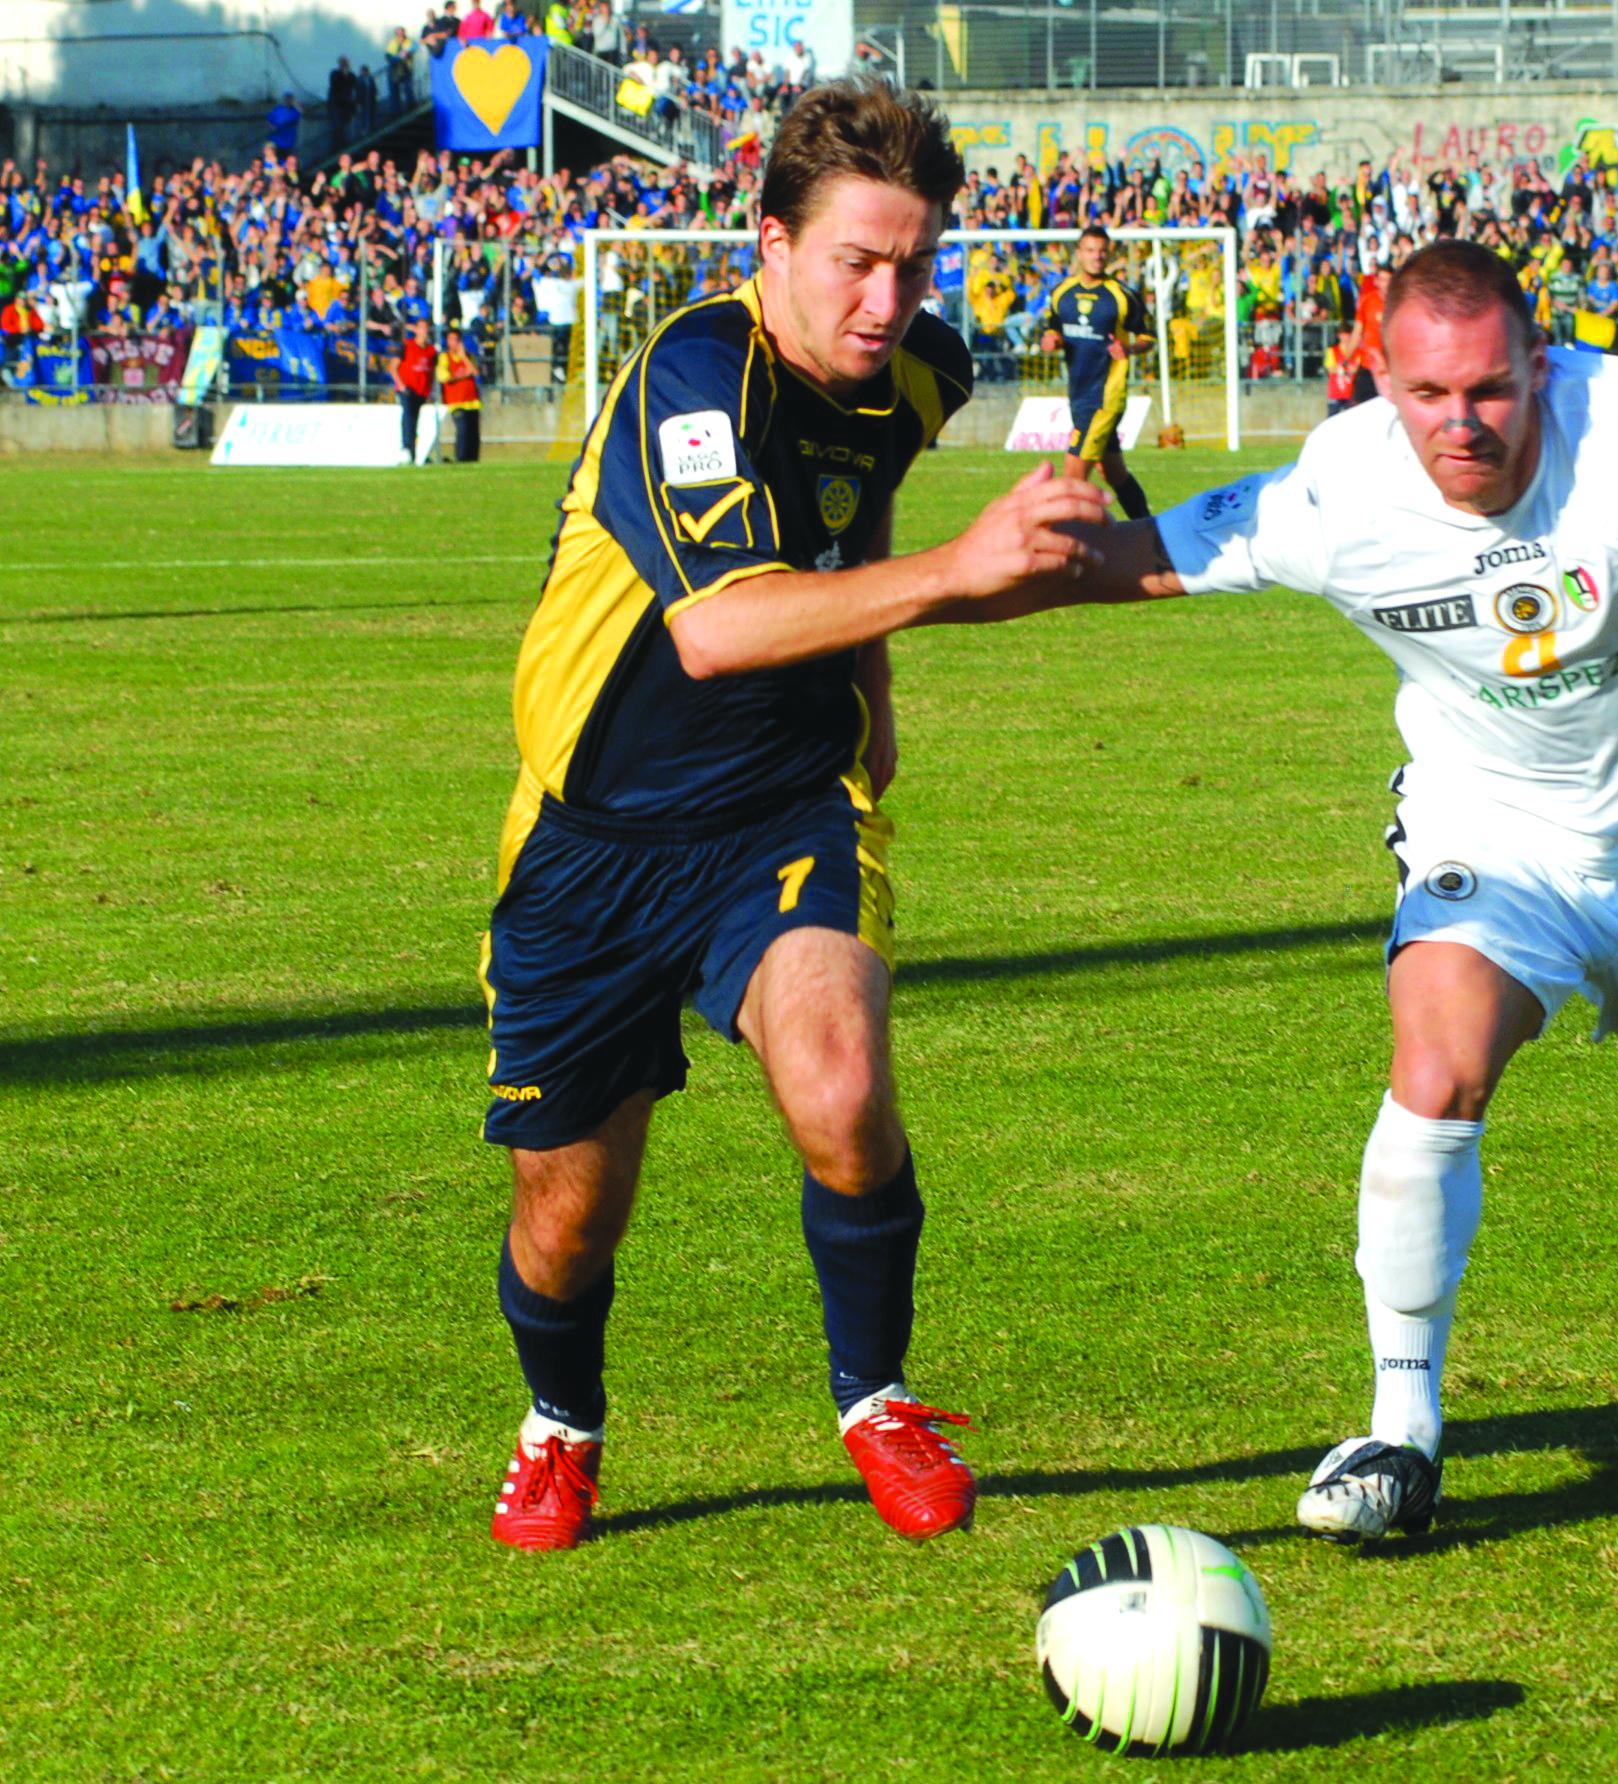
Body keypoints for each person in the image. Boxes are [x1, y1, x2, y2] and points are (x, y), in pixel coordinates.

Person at [1029, 239, 1618, 1538]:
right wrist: (894, 598)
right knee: (1437, 1064)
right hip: (1494, 831)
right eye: (1429, 395)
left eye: (1494, 390)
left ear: (1538, 361)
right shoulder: (1340, 488)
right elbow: (1135, 562)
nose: (1463, 424)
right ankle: (1402, 1428)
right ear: (1378, 377)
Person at [478, 76, 1107, 1553]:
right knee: (567, 1222)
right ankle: (561, 1424)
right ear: (771, 243)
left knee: (837, 1084)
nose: (892, 300)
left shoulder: (917, 363)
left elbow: (871, 475)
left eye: (916, 264)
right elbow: (719, 628)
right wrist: (956, 573)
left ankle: (875, 1399)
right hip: (591, 841)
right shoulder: (696, 376)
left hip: (784, 808)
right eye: (857, 263)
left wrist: (875, 683)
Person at [1039, 224, 1154, 520]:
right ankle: (1149, 531)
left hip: (1105, 396)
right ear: (1079, 254)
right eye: (1090, 250)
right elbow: (1051, 328)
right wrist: (1051, 339)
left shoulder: (1121, 295)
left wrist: (1128, 350)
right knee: (1113, 472)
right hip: (1078, 393)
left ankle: (1075, 547)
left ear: (1109, 253)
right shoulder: (1062, 293)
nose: (1097, 257)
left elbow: (1148, 337)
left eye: (1102, 251)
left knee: (1073, 476)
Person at [437, 325, 481, 461]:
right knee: (462, 430)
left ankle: (473, 459)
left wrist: (463, 357)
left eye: (456, 340)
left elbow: (474, 372)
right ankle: (460, 458)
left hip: (472, 401)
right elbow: (445, 377)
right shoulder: (444, 357)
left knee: (474, 433)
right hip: (456, 401)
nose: (453, 343)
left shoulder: (468, 356)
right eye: (451, 340)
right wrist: (462, 375)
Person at [394, 317, 436, 461]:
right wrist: (400, 384)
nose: (424, 331)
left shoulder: (431, 351)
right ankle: (406, 447)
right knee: (408, 416)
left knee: (416, 419)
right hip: (407, 389)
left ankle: (413, 452)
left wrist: (431, 389)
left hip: (421, 390)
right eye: (421, 328)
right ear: (416, 330)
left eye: (426, 328)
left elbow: (432, 371)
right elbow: (393, 366)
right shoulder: (407, 346)